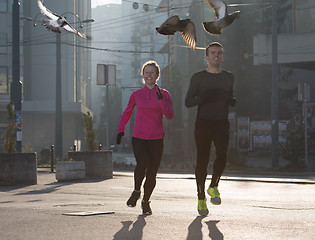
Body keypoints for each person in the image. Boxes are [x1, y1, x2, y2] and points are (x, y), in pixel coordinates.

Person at [116, 60, 174, 215]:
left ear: (157, 76)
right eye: (146, 72)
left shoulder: (165, 94)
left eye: (152, 73)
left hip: (156, 138)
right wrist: (120, 130)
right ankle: (136, 191)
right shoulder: (136, 95)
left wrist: (161, 100)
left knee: (152, 172)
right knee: (142, 163)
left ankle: (146, 201)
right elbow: (127, 112)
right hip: (139, 137)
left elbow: (169, 115)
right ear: (142, 75)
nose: (149, 75)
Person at [185, 42, 236, 216]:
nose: (217, 55)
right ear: (206, 57)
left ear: (222, 56)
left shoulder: (229, 77)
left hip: (221, 122)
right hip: (203, 123)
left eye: (219, 53)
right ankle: (201, 198)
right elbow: (188, 102)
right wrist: (203, 98)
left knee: (222, 155)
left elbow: (229, 96)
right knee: (202, 161)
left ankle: (213, 185)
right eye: (213, 53)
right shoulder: (198, 77)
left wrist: (231, 100)